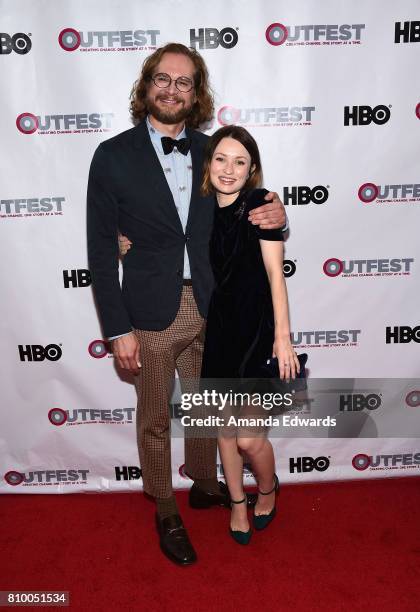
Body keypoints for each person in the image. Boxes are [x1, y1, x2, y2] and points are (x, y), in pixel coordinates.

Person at [87, 42, 287, 566]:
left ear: (196, 94)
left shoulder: (212, 150)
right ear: (146, 84)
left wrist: (275, 209)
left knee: (207, 409)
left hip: (214, 308)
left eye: (184, 82)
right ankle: (165, 508)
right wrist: (116, 329)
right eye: (163, 78)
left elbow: (248, 198)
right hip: (148, 313)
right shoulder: (111, 156)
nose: (172, 89)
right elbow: (100, 251)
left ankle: (203, 483)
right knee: (155, 416)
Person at [199, 125, 299, 544]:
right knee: (224, 432)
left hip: (257, 332)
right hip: (219, 332)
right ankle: (237, 504)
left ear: (251, 169)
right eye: (221, 159)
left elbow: (277, 276)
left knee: (248, 437)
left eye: (240, 161)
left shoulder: (259, 204)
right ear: (209, 164)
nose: (229, 169)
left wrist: (283, 338)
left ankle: (269, 487)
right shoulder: (200, 209)